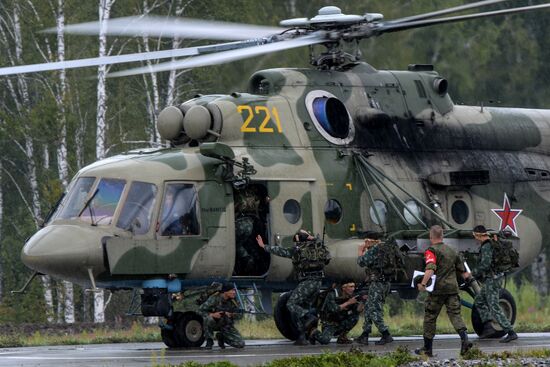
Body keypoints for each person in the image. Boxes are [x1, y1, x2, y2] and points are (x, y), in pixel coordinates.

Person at [257, 229, 331, 345]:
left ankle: (309, 317)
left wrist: (263, 246)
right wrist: (315, 240)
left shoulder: (298, 250)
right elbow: (327, 260)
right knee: (302, 307)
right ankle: (303, 336)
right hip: (318, 282)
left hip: (307, 282)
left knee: (291, 304)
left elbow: (281, 251)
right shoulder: (320, 247)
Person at [415, 225, 473, 357]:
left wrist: (423, 284)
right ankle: (465, 340)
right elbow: (464, 272)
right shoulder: (452, 250)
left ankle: (427, 349)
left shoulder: (431, 251)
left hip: (437, 290)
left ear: (431, 237)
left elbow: (430, 269)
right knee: (455, 315)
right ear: (442, 236)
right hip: (452, 289)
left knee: (430, 317)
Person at [472, 225, 518, 343]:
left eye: (474, 235)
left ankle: (510, 332)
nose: (474, 238)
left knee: (494, 306)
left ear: (478, 234)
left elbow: (485, 265)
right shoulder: (490, 244)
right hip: (491, 279)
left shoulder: (487, 246)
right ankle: (488, 327)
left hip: (492, 280)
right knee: (479, 301)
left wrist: (472, 273)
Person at [355, 234, 393, 346]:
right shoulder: (386, 248)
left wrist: (360, 250)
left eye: (368, 239)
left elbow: (361, 262)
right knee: (369, 307)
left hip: (377, 283)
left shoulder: (376, 249)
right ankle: (365, 334)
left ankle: (386, 334)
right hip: (384, 283)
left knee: (374, 309)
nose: (366, 241)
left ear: (374, 240)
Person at [309, 279, 363, 345]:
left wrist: (362, 302)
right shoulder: (332, 294)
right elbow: (333, 309)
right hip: (330, 323)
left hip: (341, 321)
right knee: (324, 341)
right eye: (351, 287)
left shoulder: (351, 295)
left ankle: (342, 337)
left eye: (354, 287)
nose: (353, 289)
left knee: (355, 317)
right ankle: (314, 331)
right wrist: (348, 302)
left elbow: (357, 311)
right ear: (344, 288)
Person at [198, 283, 245, 350]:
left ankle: (221, 337)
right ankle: (209, 341)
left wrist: (231, 315)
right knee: (208, 319)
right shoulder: (214, 298)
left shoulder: (234, 300)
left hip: (226, 325)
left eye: (234, 290)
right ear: (225, 291)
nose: (234, 292)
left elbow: (240, 315)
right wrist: (213, 314)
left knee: (240, 344)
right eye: (232, 290)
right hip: (215, 323)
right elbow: (200, 311)